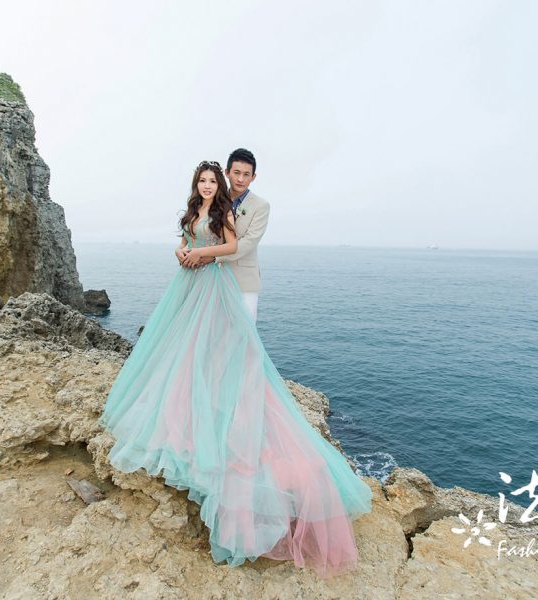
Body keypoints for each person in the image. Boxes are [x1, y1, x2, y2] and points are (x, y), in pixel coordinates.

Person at [98, 160, 373, 578]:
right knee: (186, 345)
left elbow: (234, 247)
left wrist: (199, 255)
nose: (210, 185)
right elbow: (183, 239)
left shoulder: (233, 210)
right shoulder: (193, 209)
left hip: (219, 281)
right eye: (204, 180)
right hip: (189, 283)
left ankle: (225, 403)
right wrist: (181, 252)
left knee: (230, 349)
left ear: (234, 180)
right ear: (199, 184)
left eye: (214, 180)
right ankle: (195, 397)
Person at [182, 148, 269, 323]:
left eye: (246, 174)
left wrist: (213, 257)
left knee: (244, 330)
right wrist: (182, 251)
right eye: (236, 173)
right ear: (227, 173)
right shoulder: (213, 200)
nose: (240, 179)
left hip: (244, 281)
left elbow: (248, 242)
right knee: (212, 330)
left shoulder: (261, 206)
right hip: (211, 279)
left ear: (253, 177)